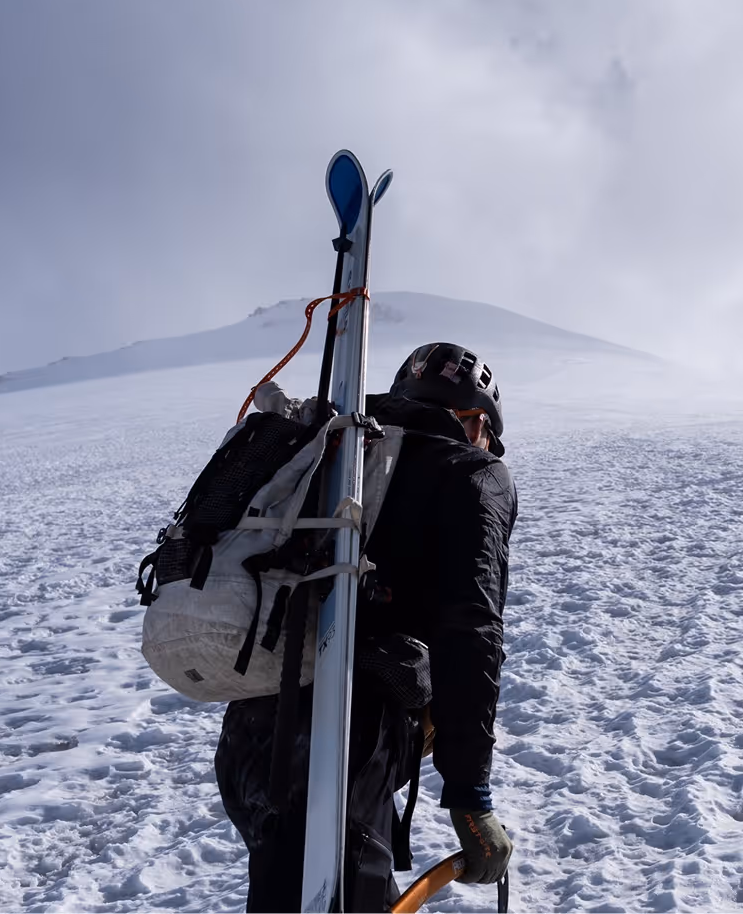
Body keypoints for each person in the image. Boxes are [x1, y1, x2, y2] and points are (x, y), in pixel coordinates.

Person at [215, 341, 518, 912]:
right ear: (476, 422)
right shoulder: (473, 471)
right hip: (343, 740)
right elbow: (470, 630)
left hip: (251, 735)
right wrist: (470, 795)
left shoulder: (339, 449)